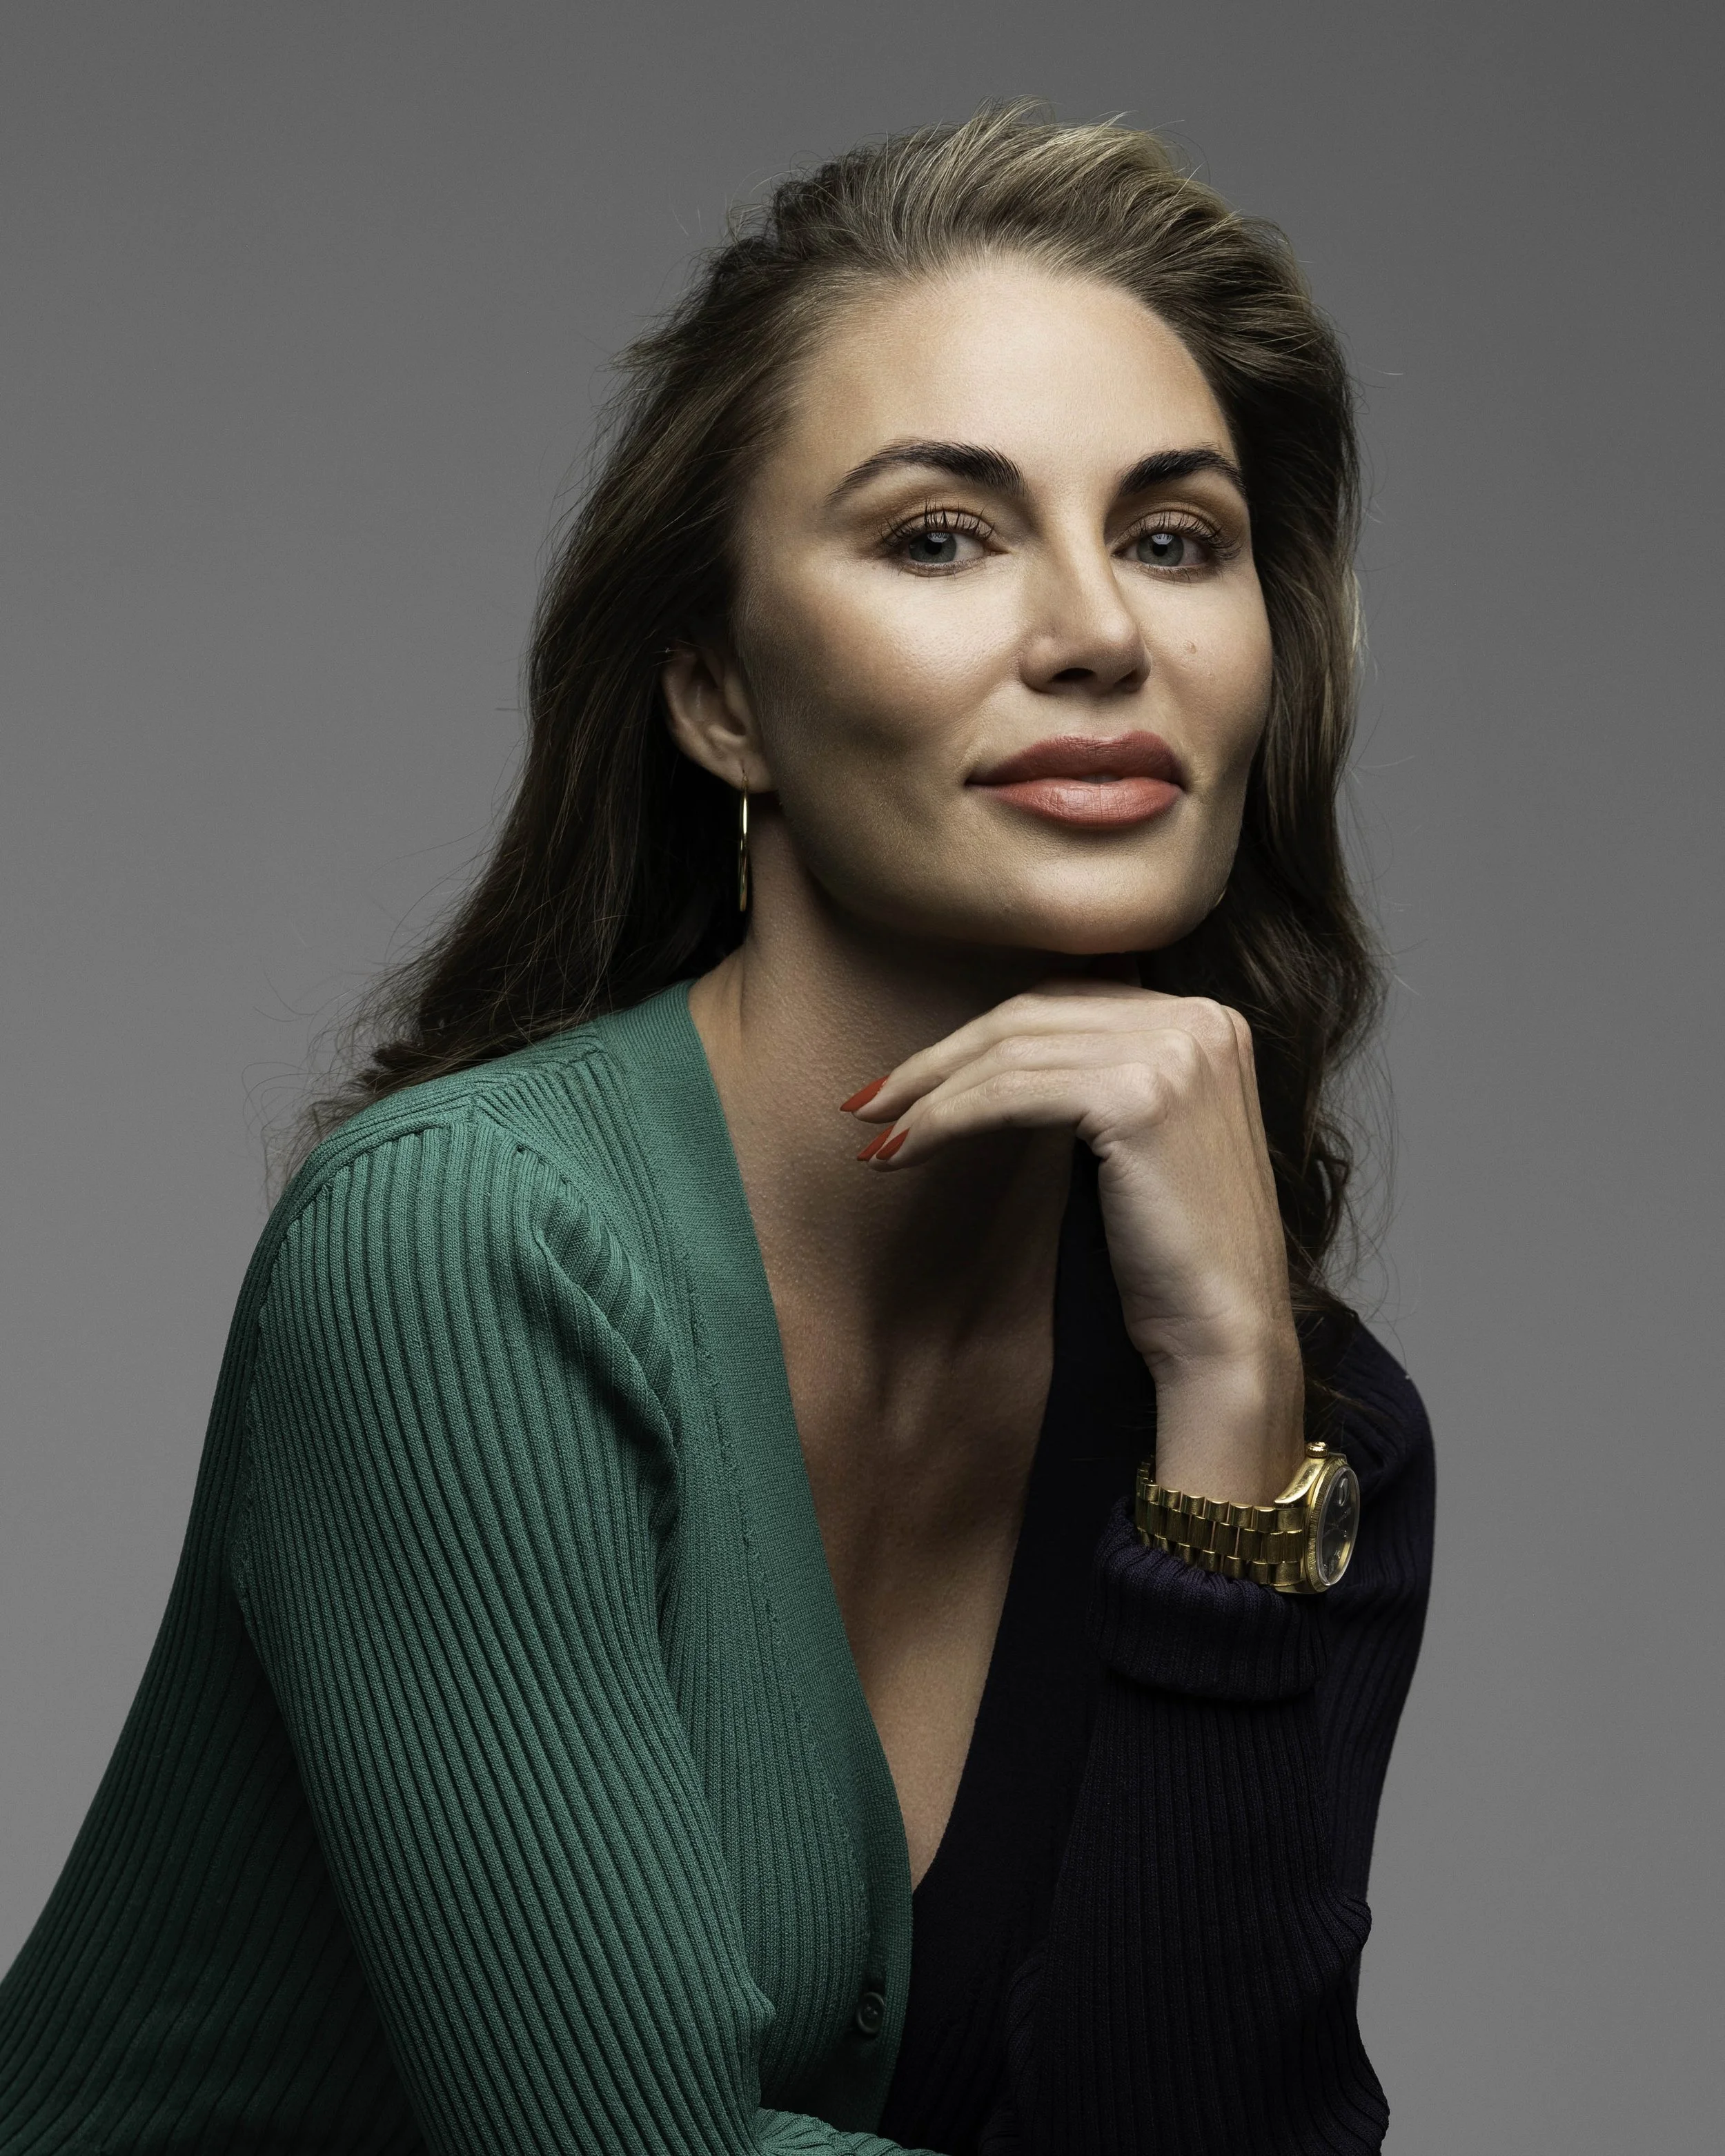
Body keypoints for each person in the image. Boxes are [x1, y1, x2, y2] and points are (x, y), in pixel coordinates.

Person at [0, 105, 1434, 2155]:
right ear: (720, 699)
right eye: (940, 536)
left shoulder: (1303, 1436)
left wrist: (1224, 1426)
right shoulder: (469, 1257)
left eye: (1174, 538)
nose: (1100, 631)